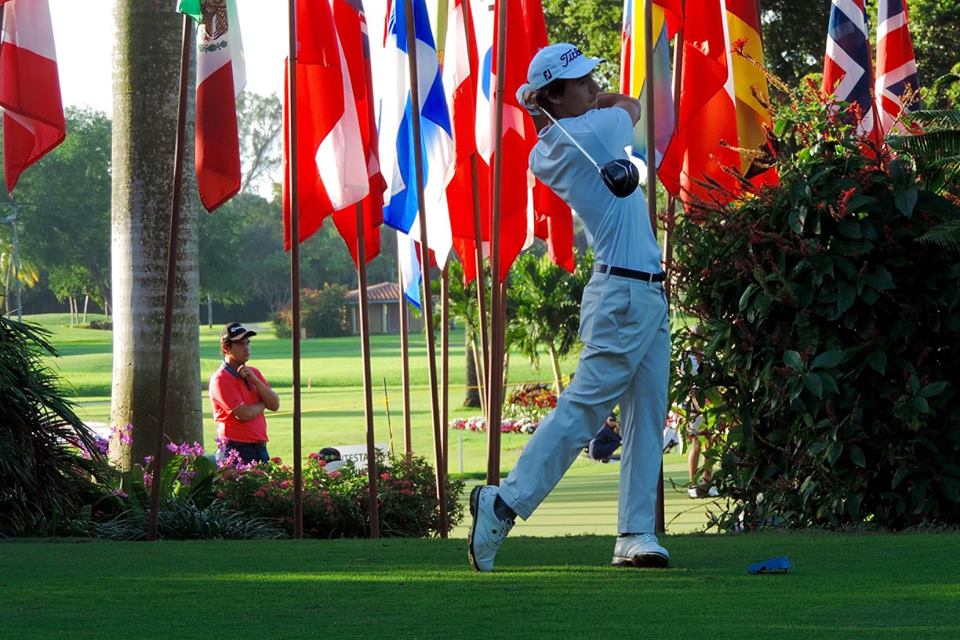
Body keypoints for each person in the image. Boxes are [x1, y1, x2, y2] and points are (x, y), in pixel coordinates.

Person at [468, 43, 670, 572]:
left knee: (646, 416)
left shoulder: (549, 144)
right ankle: (504, 502)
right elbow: (632, 106)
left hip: (643, 292)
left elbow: (588, 109)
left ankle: (635, 533)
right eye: (580, 82)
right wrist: (572, 101)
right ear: (555, 97)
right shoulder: (594, 132)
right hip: (624, 294)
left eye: (590, 80)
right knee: (584, 409)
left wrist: (543, 103)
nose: (591, 87)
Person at [208, 322, 280, 464]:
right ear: (226, 347)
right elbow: (243, 414)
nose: (246, 348)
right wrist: (263, 404)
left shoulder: (254, 373)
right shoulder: (220, 379)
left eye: (248, 343)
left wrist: (255, 381)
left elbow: (275, 404)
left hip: (259, 449)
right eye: (240, 344)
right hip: (236, 451)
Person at [683, 349, 718, 499]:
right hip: (694, 406)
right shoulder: (686, 358)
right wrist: (698, 404)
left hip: (710, 403)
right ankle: (693, 484)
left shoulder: (709, 355)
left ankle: (707, 482)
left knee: (710, 444)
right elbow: (687, 384)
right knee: (697, 444)